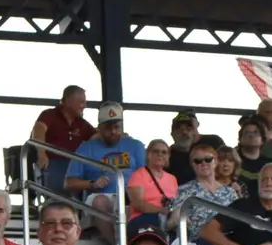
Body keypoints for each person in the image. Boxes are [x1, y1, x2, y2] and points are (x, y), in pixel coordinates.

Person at [64, 103, 145, 233]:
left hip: (130, 197)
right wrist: (93, 184)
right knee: (100, 201)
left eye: (116, 127)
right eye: (108, 128)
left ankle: (128, 242)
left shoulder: (136, 146)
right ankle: (117, 244)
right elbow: (69, 183)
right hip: (101, 197)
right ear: (99, 128)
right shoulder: (86, 148)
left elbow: (147, 176)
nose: (113, 132)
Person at [172, 137, 239, 245]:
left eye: (208, 159)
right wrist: (177, 217)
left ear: (216, 161)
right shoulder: (184, 190)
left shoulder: (230, 192)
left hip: (230, 239)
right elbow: (176, 216)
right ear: (192, 164)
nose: (203, 163)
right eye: (198, 161)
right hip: (201, 243)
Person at [30, 84, 94, 185]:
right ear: (68, 101)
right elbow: (38, 131)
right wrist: (41, 153)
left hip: (74, 168)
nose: (85, 106)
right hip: (51, 166)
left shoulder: (82, 123)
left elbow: (97, 137)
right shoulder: (49, 115)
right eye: (81, 102)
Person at [126, 138, 180, 217]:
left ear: (168, 156)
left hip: (168, 216)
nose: (160, 154)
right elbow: (137, 203)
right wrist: (161, 210)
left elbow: (177, 202)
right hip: (144, 217)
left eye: (164, 152)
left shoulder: (172, 178)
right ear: (148, 154)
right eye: (156, 151)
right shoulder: (139, 175)